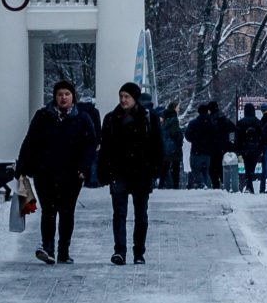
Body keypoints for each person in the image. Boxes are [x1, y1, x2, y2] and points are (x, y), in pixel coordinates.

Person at [16, 80, 99, 265]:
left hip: (72, 174)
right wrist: (22, 166)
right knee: (49, 210)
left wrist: (84, 168)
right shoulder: (43, 116)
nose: (63, 98)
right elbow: (30, 141)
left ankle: (64, 250)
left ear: (73, 97)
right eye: (60, 94)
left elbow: (90, 146)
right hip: (45, 172)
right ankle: (48, 247)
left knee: (67, 212)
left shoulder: (82, 118)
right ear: (55, 96)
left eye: (67, 94)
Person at [98, 82, 159, 266]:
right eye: (121, 96)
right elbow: (105, 147)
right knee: (119, 214)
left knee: (141, 215)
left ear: (135, 98)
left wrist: (155, 170)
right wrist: (103, 171)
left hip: (141, 173)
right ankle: (120, 251)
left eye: (127, 97)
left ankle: (139, 251)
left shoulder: (148, 118)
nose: (123, 100)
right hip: (119, 172)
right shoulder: (111, 119)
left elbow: (157, 146)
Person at [187, 101, 229, 190]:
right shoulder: (213, 123)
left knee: (195, 169)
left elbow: (188, 136)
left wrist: (195, 140)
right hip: (209, 152)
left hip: (196, 150)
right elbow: (217, 134)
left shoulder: (193, 123)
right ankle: (206, 185)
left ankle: (202, 184)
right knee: (206, 171)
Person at [234, 106, 267, 193]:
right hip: (256, 149)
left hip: (245, 149)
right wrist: (262, 148)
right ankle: (250, 183)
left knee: (247, 166)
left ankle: (249, 185)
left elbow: (237, 137)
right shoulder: (258, 122)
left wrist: (237, 149)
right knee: (252, 166)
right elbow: (262, 136)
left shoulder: (241, 123)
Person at [156, 100, 185, 189]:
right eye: (178, 107)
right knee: (176, 167)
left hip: (166, 145)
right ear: (174, 108)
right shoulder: (174, 119)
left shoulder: (165, 118)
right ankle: (176, 186)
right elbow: (175, 132)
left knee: (166, 166)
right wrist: (180, 139)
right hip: (174, 146)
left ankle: (161, 185)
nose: (179, 109)